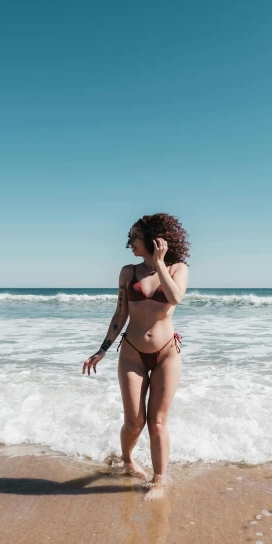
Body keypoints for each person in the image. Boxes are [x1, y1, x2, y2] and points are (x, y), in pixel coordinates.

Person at [82, 213, 190, 500]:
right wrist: (102, 349)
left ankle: (158, 479)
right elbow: (121, 313)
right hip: (131, 353)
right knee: (134, 422)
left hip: (167, 353)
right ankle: (128, 461)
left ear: (154, 239)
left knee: (157, 421)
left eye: (134, 237)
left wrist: (159, 264)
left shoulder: (178, 268)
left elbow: (176, 297)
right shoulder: (128, 272)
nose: (129, 243)